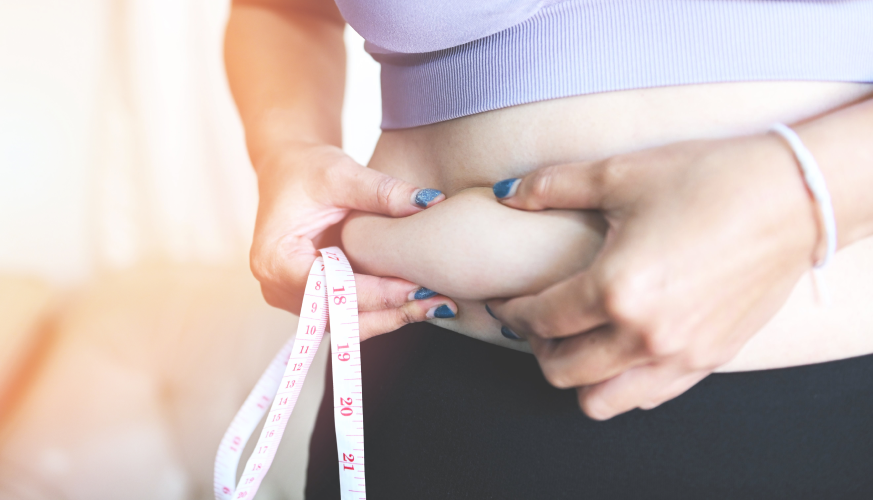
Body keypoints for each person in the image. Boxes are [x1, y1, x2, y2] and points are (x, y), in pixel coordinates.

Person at [226, 0, 873, 497]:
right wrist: (287, 148)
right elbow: (283, 10)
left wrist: (803, 194)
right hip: (421, 395)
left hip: (807, 416)